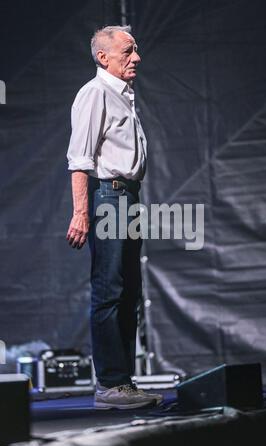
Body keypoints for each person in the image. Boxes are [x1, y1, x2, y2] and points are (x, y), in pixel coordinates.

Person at [66, 25, 162, 409]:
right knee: (109, 289)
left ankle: (123, 382)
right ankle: (110, 384)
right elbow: (80, 160)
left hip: (128, 199)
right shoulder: (95, 93)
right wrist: (81, 212)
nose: (136, 57)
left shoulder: (124, 96)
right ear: (103, 57)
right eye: (128, 51)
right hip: (109, 197)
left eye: (135, 50)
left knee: (129, 293)